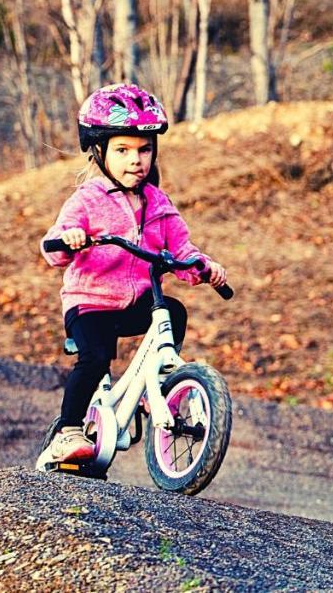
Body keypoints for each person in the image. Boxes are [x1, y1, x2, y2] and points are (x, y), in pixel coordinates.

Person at [35, 83, 227, 468]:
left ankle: (158, 381)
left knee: (173, 312)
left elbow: (182, 249)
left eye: (144, 149)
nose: (135, 160)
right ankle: (68, 431)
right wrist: (70, 240)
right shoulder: (88, 199)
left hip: (138, 299)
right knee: (96, 357)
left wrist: (204, 268)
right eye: (122, 150)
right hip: (90, 302)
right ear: (100, 151)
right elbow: (53, 245)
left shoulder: (158, 203)